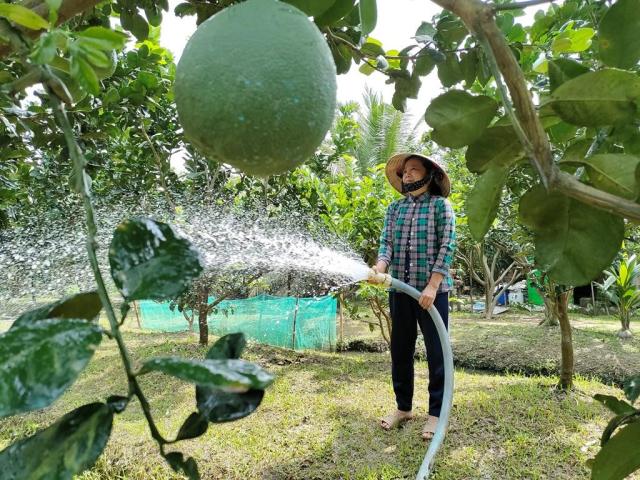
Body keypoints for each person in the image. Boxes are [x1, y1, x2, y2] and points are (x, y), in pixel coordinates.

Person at [369, 152, 456, 441]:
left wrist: (432, 286)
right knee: (400, 350)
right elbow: (386, 244)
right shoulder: (395, 209)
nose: (406, 174)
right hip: (400, 290)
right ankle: (403, 408)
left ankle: (435, 414)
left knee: (437, 353)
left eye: (414, 169)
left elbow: (447, 246)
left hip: (432, 292)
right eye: (404, 171)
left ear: (431, 175)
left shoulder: (440, 207)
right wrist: (380, 268)